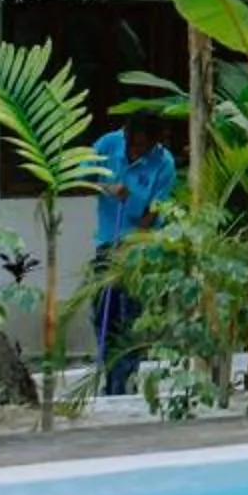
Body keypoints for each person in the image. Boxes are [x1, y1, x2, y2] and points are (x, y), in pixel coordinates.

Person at [90, 130, 178, 395]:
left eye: (145, 146)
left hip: (140, 247)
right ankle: (111, 373)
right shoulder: (107, 143)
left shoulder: (164, 162)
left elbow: (155, 208)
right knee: (103, 309)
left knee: (131, 314)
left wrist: (131, 242)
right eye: (134, 144)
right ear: (126, 136)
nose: (137, 152)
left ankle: (124, 380)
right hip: (107, 242)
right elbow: (83, 175)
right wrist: (108, 187)